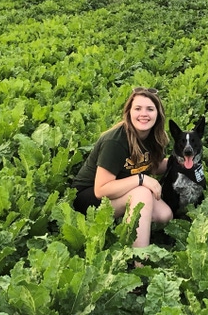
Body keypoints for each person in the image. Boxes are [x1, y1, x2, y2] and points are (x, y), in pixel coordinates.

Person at [71, 87, 173, 248]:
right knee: (142, 192)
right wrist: (141, 179)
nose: (144, 114)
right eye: (138, 108)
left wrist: (181, 163)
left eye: (150, 109)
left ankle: (123, 226)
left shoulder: (154, 137)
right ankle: (137, 260)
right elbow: (101, 190)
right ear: (129, 112)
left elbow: (153, 166)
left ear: (158, 114)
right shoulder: (115, 141)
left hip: (122, 189)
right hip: (90, 198)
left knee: (164, 215)